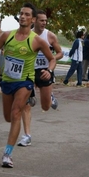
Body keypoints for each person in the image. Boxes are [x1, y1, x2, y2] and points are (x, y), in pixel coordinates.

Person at [0, 2, 56, 168]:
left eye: (26, 14)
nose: (23, 16)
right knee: (7, 117)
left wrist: (49, 70)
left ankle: (7, 154)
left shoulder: (37, 41)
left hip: (25, 82)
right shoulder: (7, 36)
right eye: (21, 14)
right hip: (8, 81)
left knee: (16, 112)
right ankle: (26, 104)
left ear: (32, 20)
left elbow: (52, 58)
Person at [17, 10, 63, 147]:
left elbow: (60, 52)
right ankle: (27, 136)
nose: (44, 23)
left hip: (45, 72)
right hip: (29, 72)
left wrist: (51, 59)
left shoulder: (50, 36)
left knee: (45, 106)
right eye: (41, 20)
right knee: (26, 105)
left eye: (45, 21)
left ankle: (50, 97)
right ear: (34, 20)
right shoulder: (27, 35)